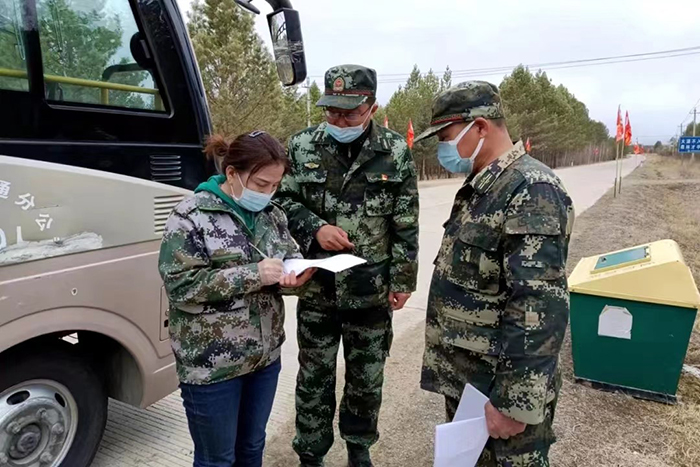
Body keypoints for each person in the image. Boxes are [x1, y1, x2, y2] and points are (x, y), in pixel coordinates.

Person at [416, 81, 574, 467]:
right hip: (474, 386)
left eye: (446, 137)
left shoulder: (531, 190)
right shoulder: (485, 187)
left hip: (500, 390)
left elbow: (539, 306)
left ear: (481, 127)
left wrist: (515, 402)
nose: (442, 149)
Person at [275, 64, 419, 467]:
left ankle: (359, 449)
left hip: (370, 289)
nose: (338, 121)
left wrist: (403, 280)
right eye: (332, 112)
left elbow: (405, 222)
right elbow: (281, 201)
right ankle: (311, 454)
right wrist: (315, 227)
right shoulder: (302, 145)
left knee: (366, 378)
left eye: (349, 113)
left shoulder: (395, 151)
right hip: (318, 288)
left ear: (372, 107)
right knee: (313, 378)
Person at [158, 131, 315, 467]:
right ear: (232, 173)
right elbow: (181, 286)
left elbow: (288, 259)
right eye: (261, 184)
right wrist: (253, 274)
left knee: (251, 448)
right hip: (212, 365)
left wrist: (295, 278)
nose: (268, 193)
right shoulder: (190, 215)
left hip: (263, 358)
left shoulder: (273, 215)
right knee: (217, 459)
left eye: (275, 185)